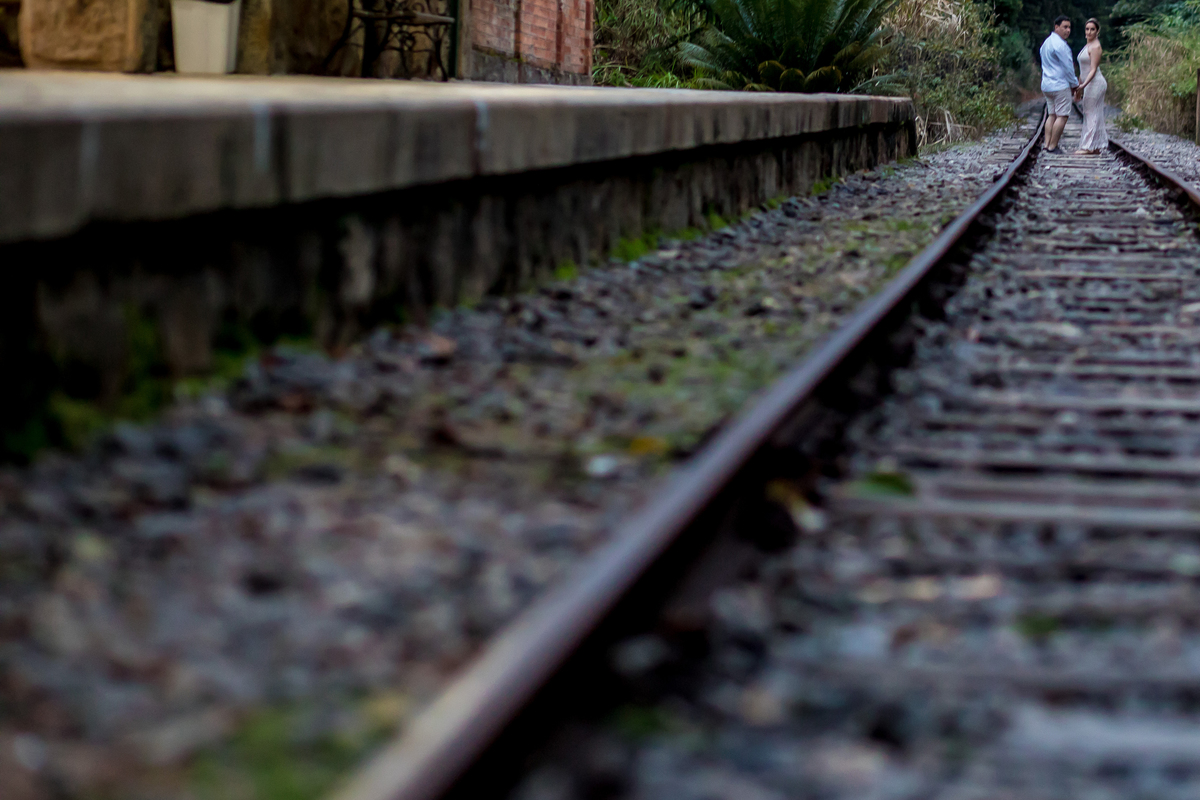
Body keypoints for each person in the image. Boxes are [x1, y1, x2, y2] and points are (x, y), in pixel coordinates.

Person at [1039, 15, 1078, 154]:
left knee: (1052, 115)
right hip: (1060, 85)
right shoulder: (1061, 45)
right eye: (1064, 27)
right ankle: (1053, 146)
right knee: (1062, 116)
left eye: (1069, 27)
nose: (1068, 30)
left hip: (1047, 85)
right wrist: (1074, 84)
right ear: (1056, 27)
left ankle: (1046, 144)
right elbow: (1068, 68)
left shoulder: (1046, 43)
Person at [1074, 18, 1108, 154]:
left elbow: (1093, 70)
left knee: (1091, 113)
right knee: (1091, 113)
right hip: (1088, 83)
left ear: (1097, 31)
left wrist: (1082, 86)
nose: (1089, 32)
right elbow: (1083, 69)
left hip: (1095, 83)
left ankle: (1088, 147)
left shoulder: (1096, 47)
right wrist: (1079, 85)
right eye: (1087, 29)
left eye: (1092, 29)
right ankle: (1094, 146)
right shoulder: (1087, 45)